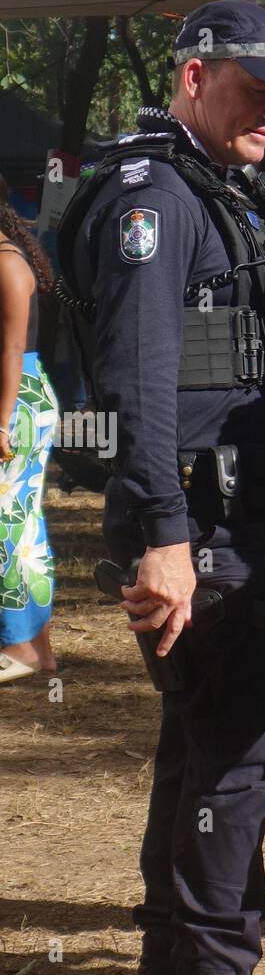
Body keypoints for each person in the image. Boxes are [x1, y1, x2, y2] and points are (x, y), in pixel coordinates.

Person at [58, 0, 265, 975]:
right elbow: (138, 382)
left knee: (198, 751)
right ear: (190, 79)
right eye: (252, 85)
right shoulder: (154, 200)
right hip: (197, 527)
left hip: (236, 519)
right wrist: (167, 540)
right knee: (236, 754)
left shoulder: (215, 190)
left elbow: (230, 350)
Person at [0, 174, 59, 684]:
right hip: (17, 398)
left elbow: (12, 351)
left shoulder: (8, 266)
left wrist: (1, 422)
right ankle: (40, 649)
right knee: (21, 519)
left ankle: (19, 647)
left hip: (17, 401)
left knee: (10, 522)